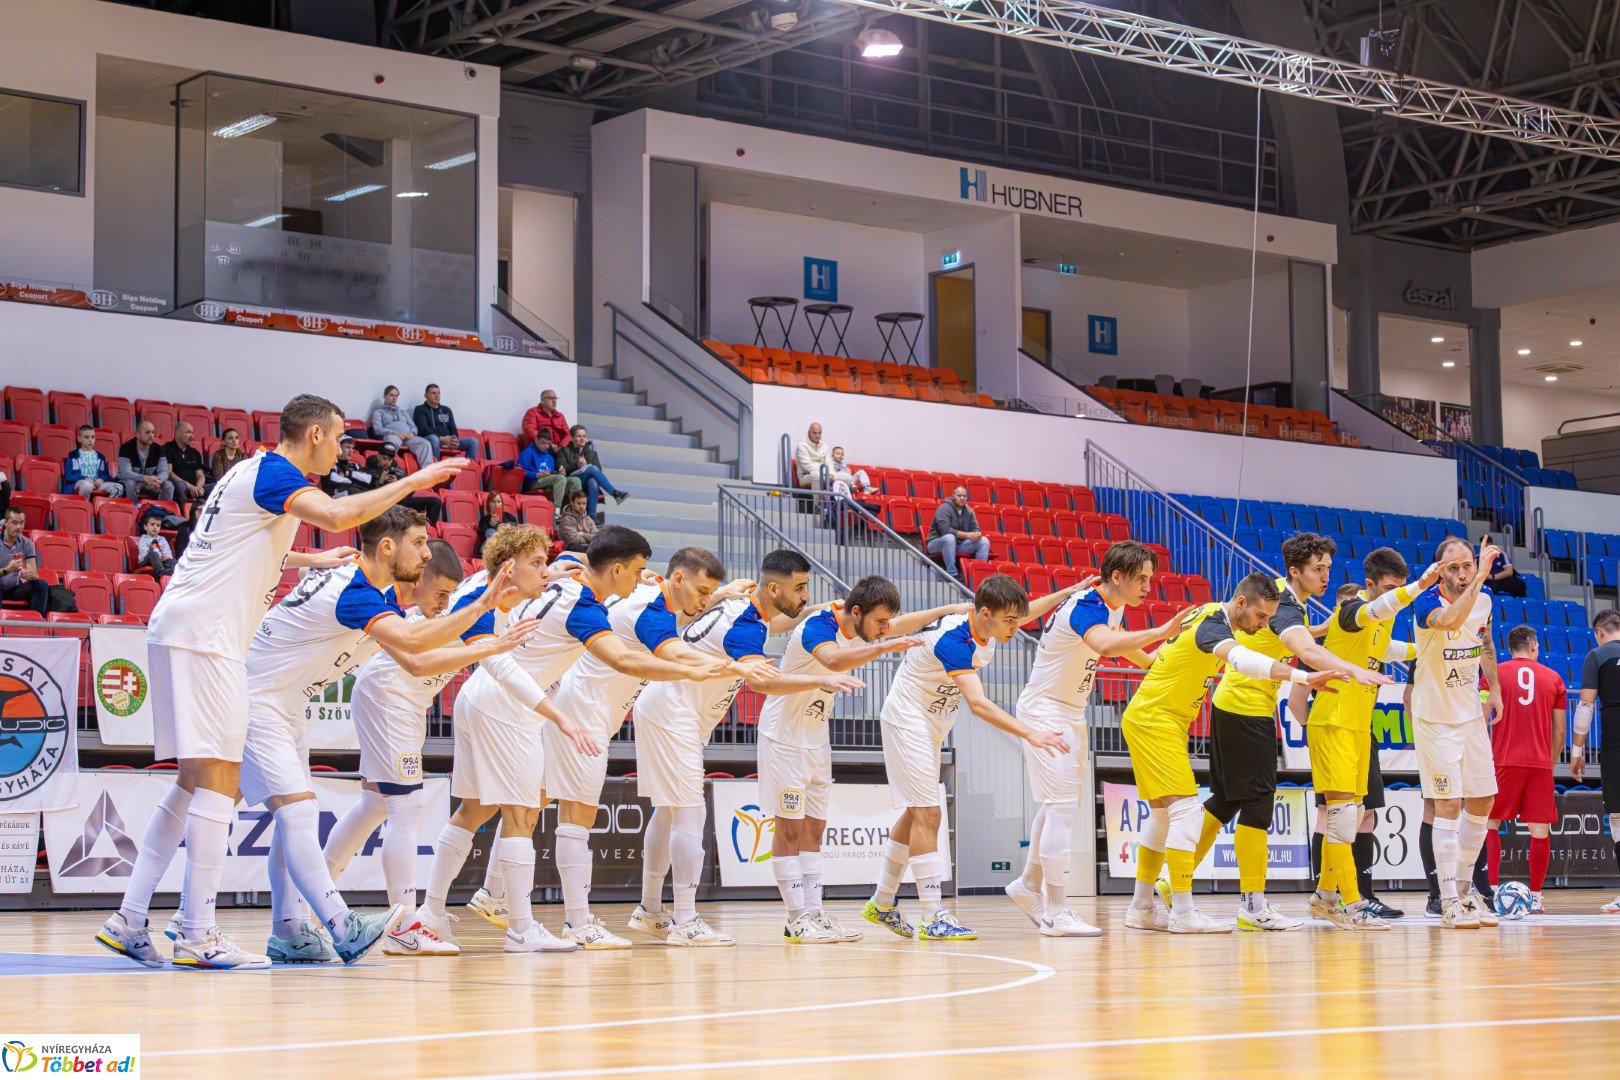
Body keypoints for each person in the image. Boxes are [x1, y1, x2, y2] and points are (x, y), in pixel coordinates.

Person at [95, 393, 470, 971]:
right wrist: (415, 479)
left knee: (195, 781)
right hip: (211, 637)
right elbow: (345, 517)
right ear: (315, 434)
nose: (344, 448)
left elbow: (233, 545)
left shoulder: (251, 474)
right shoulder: (279, 472)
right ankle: (199, 931)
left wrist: (304, 561)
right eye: (340, 437)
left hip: (185, 626)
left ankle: (132, 916)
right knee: (218, 780)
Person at [414, 526, 748, 954]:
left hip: (487, 697)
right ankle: (546, 924)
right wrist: (704, 669)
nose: (644, 580)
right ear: (617, 569)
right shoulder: (582, 603)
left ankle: (438, 913)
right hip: (528, 708)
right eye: (639, 572)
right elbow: (626, 658)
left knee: (479, 810)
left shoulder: (568, 581)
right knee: (532, 817)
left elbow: (595, 583)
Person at [235, 506, 517, 964]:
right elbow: (417, 657)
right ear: (393, 551)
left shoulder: (375, 593)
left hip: (286, 700)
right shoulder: (363, 593)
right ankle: (372, 923)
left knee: (305, 816)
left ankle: (288, 930)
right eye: (420, 547)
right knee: (309, 813)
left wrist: (309, 559)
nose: (425, 555)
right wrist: (486, 626)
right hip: (263, 695)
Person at [631, 549, 863, 947]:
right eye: (801, 588)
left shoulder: (745, 608)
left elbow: (778, 621)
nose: (806, 597)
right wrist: (818, 680)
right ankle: (685, 919)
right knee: (689, 813)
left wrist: (827, 606)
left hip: (660, 706)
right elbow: (764, 684)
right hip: (674, 713)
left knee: (667, 812)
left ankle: (650, 909)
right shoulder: (746, 626)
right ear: (773, 588)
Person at [321, 538, 539, 956]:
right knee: (406, 809)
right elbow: (428, 660)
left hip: (400, 700)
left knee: (374, 805)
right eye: (537, 564)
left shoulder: (475, 589)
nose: (444, 602)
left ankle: (314, 893)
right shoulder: (461, 604)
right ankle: (405, 928)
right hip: (391, 698)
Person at [862, 574, 1088, 942]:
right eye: (1010, 621)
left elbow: (1028, 612)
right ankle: (933, 914)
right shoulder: (955, 641)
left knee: (914, 811)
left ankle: (882, 901)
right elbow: (979, 705)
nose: (1017, 627)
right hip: (909, 719)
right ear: (986, 614)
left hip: (932, 720)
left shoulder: (989, 621)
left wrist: (1067, 591)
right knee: (929, 812)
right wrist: (1030, 733)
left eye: (1017, 619)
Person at [1121, 573, 1341, 935]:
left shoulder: (1208, 613)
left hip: (1158, 719)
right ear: (1241, 603)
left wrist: (1148, 660)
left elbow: (1163, 655)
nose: (1264, 625)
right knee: (1186, 813)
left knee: (1163, 819)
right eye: (1260, 617)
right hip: (1155, 721)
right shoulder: (1213, 627)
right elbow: (1242, 661)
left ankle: (1142, 906)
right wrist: (1302, 678)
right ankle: (1183, 912)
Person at [1190, 533, 1390, 932]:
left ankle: (1171, 878)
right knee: (1259, 805)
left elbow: (1295, 636)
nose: (1325, 575)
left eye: (1329, 568)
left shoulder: (1290, 603)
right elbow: (1303, 648)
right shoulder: (1282, 602)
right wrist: (1352, 668)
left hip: (1241, 707)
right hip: (1245, 708)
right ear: (1295, 571)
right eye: (1318, 569)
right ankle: (1252, 904)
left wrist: (1321, 629)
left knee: (1227, 801)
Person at [761, 576, 966, 944]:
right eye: (879, 623)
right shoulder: (819, 624)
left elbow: (899, 626)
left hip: (815, 735)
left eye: (887, 623)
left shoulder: (860, 625)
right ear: (856, 612)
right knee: (789, 828)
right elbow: (832, 658)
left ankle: (814, 912)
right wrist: (882, 648)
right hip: (784, 736)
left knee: (815, 828)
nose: (886, 630)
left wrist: (946, 610)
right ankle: (796, 918)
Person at [1005, 542, 1192, 938]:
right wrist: (1162, 631)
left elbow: (1126, 646)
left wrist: (1161, 664)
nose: (1147, 587)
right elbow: (1106, 645)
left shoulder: (1112, 605)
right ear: (1117, 577)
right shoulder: (1085, 607)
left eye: (1150, 579)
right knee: (1062, 810)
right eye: (1140, 579)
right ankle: (1055, 912)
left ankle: (1027, 884)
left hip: (1071, 710)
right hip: (1046, 709)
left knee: (1061, 803)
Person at [1303, 548, 1436, 931]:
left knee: (1353, 817)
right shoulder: (1351, 612)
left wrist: (1434, 651)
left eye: (1399, 587)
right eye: (1389, 589)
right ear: (1370, 585)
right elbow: (1373, 614)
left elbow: (1390, 649)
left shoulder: (1384, 620)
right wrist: (1418, 587)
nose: (1394, 597)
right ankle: (1352, 903)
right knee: (1344, 819)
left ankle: (1324, 898)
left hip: (1360, 727)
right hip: (1334, 724)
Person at [1412, 536, 1503, 930]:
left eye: (1468, 565)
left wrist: (1494, 687)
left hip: (1469, 717)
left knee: (1482, 802)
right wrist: (1483, 575)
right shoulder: (1426, 602)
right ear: (1438, 572)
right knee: (1447, 805)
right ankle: (1448, 899)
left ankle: (1466, 891)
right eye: (1454, 567)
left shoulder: (1484, 601)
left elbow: (1483, 639)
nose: (1463, 573)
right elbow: (1451, 621)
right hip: (1434, 719)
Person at [1481, 625, 1564, 915]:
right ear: (1532, 645)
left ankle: (1490, 893)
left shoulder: (1494, 674)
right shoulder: (1554, 678)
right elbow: (1560, 732)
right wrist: (1549, 764)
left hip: (1502, 760)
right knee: (1539, 831)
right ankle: (1537, 897)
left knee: (1489, 824)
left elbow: (1481, 717)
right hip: (1539, 763)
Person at [1569, 609, 1620, 913]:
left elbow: (1585, 707)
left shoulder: (1596, 655)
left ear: (1599, 632)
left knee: (1618, 817)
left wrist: (1576, 752)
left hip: (1616, 742)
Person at [556, 425, 629, 518]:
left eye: (584, 436)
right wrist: (576, 466)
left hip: (586, 482)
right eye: (579, 436)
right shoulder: (564, 451)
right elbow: (561, 467)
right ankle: (615, 493)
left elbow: (599, 471)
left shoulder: (592, 453)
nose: (582, 439)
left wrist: (585, 466)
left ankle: (591, 517)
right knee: (592, 469)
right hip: (571, 481)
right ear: (572, 438)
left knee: (593, 482)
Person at [365, 443, 442, 525]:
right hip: (378, 506)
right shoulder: (368, 470)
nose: (387, 462)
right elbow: (363, 495)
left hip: (396, 504)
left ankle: (427, 530)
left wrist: (397, 486)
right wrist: (379, 482)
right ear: (378, 456)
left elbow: (410, 493)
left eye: (390, 459)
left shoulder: (397, 471)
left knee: (435, 502)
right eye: (384, 458)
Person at [927, 487, 990, 580]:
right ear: (953, 496)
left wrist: (978, 534)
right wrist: (968, 535)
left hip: (958, 545)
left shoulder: (969, 511)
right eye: (959, 495)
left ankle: (979, 575)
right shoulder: (944, 508)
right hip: (935, 543)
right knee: (949, 537)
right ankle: (952, 574)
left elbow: (976, 529)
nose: (962, 498)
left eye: (964, 496)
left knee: (984, 541)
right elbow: (945, 530)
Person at [509, 428, 579, 507]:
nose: (546, 446)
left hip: (547, 482)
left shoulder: (550, 457)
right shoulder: (528, 452)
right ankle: (556, 512)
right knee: (560, 479)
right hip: (533, 482)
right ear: (536, 440)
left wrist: (559, 472)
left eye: (548, 444)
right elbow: (520, 471)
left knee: (575, 480)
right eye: (543, 443)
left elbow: (551, 474)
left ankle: (573, 511)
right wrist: (537, 475)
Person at [370, 384, 435, 465]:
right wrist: (395, 433)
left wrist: (412, 433)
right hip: (394, 436)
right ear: (385, 396)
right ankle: (388, 469)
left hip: (408, 437)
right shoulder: (379, 412)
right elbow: (377, 429)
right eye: (391, 395)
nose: (394, 398)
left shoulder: (402, 412)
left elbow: (413, 427)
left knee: (425, 443)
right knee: (390, 443)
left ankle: (427, 473)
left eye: (396, 396)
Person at [0, 506, 48, 616]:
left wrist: (27, 574)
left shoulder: (27, 543)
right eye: (15, 523)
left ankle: (36, 624)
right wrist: (8, 570)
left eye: (21, 523)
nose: (19, 527)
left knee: (41, 585)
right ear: (6, 523)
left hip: (14, 587)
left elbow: (33, 573)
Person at [413, 383, 480, 461]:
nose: (437, 396)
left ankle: (467, 469)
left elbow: (453, 428)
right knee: (434, 438)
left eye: (438, 393)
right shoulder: (420, 409)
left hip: (447, 441)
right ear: (425, 396)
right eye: (433, 393)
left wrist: (453, 440)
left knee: (473, 441)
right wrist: (441, 438)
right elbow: (423, 429)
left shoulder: (446, 410)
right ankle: (436, 469)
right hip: (431, 439)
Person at [118, 419, 175, 504]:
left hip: (152, 484)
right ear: (137, 434)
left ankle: (161, 512)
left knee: (168, 485)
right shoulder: (126, 448)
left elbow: (164, 471)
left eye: (153, 432)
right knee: (129, 483)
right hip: (135, 482)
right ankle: (134, 511)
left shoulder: (159, 449)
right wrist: (144, 478)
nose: (152, 435)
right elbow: (125, 473)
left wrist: (157, 481)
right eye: (147, 432)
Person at [62, 425, 123, 499]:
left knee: (118, 487)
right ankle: (85, 507)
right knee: (87, 485)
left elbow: (106, 475)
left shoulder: (100, 456)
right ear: (79, 438)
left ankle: (106, 506)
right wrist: (84, 478)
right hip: (81, 483)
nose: (90, 440)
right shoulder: (73, 456)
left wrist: (101, 479)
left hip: (97, 484)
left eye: (92, 437)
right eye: (87, 437)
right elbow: (68, 476)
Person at [165, 420, 208, 504]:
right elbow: (169, 473)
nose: (192, 436)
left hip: (195, 487)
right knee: (180, 486)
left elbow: (200, 475)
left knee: (216, 487)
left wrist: (198, 487)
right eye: (188, 432)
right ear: (177, 433)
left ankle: (209, 515)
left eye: (192, 433)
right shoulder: (167, 449)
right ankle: (182, 514)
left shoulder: (194, 452)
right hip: (179, 486)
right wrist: (190, 487)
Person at [136, 509, 177, 578]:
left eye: (158, 525)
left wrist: (167, 557)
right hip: (146, 560)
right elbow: (143, 554)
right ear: (145, 527)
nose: (155, 527)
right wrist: (149, 550)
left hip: (161, 560)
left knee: (174, 561)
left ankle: (176, 572)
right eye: (152, 524)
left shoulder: (162, 539)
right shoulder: (143, 539)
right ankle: (160, 571)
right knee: (154, 554)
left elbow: (167, 551)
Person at [795, 422, 831, 489]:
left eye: (819, 433)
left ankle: (841, 499)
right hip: (806, 476)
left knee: (846, 477)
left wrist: (831, 474)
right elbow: (807, 466)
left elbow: (829, 463)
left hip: (824, 473)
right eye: (814, 433)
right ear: (809, 433)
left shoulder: (825, 446)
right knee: (817, 476)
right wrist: (825, 473)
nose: (817, 436)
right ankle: (817, 500)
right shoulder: (802, 446)